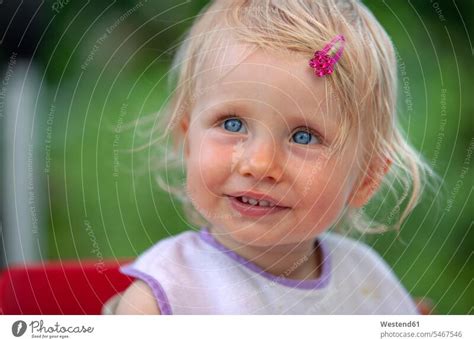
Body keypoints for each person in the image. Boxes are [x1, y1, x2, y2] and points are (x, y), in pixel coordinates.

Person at [112, 0, 435, 315]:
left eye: (304, 136)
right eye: (232, 124)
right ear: (188, 142)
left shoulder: (368, 283)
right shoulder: (165, 298)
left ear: (367, 177)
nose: (259, 164)